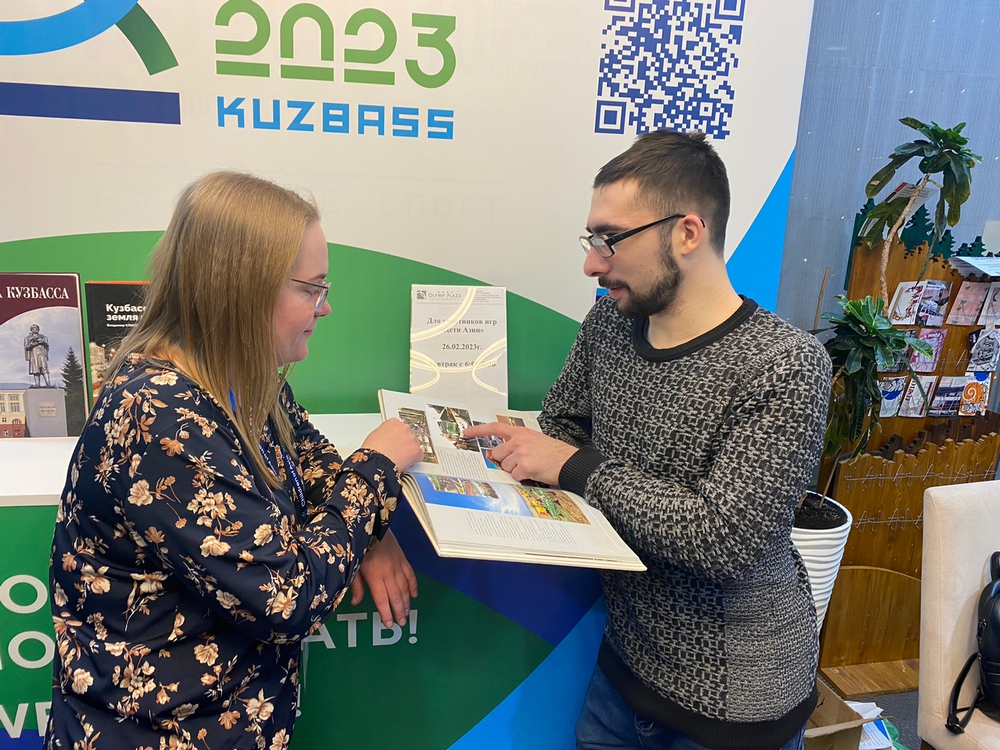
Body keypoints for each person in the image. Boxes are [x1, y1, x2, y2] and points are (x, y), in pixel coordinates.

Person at [465, 131, 832, 750]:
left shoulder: (784, 365)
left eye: (610, 240)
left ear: (687, 233)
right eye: (591, 240)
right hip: (624, 672)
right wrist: (516, 463)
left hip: (734, 706)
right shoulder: (610, 322)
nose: (592, 264)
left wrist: (574, 467)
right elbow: (566, 426)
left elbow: (725, 540)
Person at [45, 172, 422, 749]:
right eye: (311, 289)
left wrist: (371, 530)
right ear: (242, 289)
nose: (324, 308)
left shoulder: (239, 375)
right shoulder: (159, 413)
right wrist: (376, 469)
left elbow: (308, 457)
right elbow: (287, 598)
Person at [24, 323, 52, 387]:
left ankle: (48, 383)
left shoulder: (43, 337)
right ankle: (37, 383)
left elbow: (47, 346)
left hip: (42, 354)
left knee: (44, 368)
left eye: (36, 328)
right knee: (35, 369)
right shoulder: (28, 338)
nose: (35, 329)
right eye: (33, 328)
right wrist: (32, 344)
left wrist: (43, 342)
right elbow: (26, 347)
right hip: (34, 355)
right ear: (31, 330)